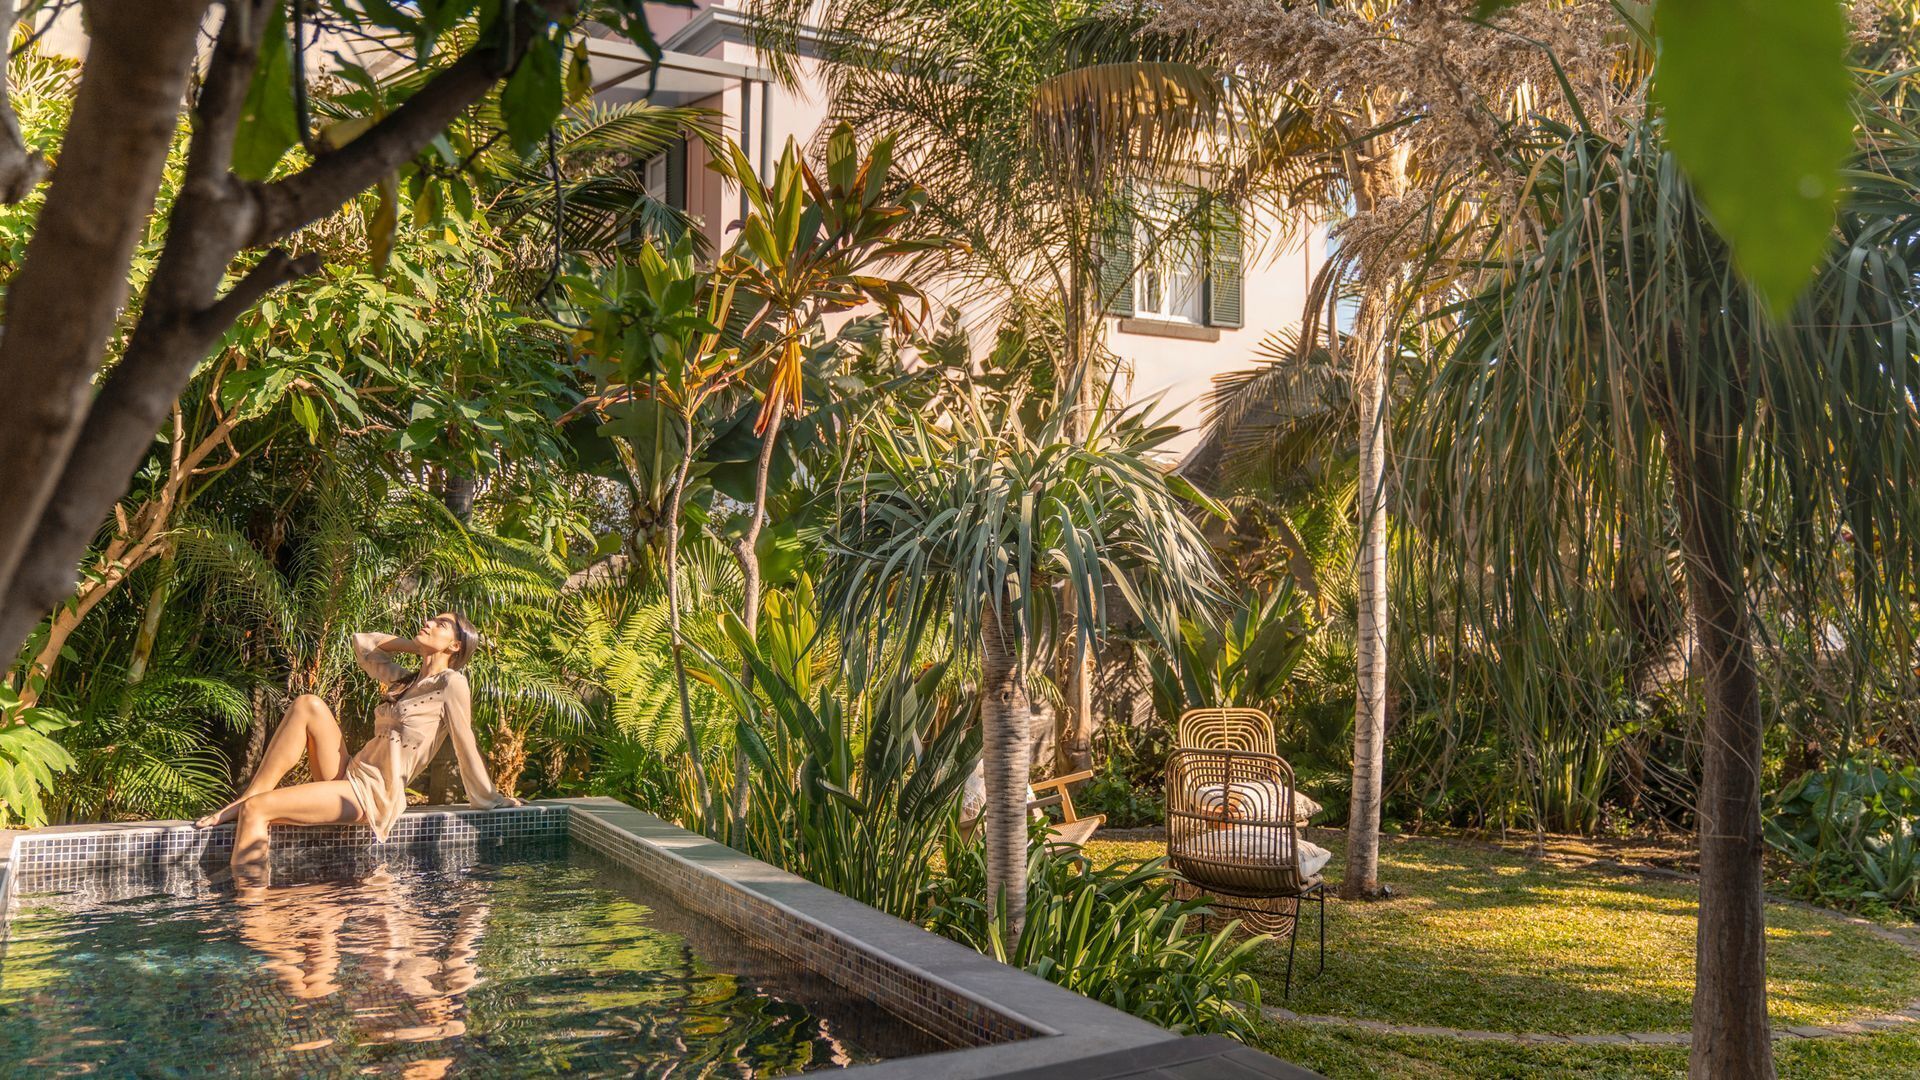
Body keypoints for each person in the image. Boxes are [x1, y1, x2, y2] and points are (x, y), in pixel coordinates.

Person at [195, 613, 523, 878]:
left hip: (372, 793)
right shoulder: (405, 681)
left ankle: (253, 914)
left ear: (455, 645)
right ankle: (249, 795)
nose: (429, 622)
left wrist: (489, 798)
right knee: (308, 704)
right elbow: (363, 642)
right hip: (350, 772)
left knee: (258, 810)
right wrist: (418, 647)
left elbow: (466, 742)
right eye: (432, 619)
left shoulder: (452, 683)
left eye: (441, 624)